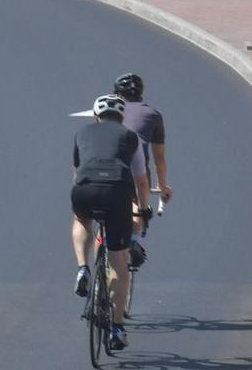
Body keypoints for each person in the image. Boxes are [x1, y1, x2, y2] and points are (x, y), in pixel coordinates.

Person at [72, 93, 150, 353]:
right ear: (122, 117)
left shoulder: (82, 134)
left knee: (81, 220)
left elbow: (77, 174)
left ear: (96, 117)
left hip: (85, 190)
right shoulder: (130, 138)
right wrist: (144, 209)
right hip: (117, 192)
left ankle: (83, 268)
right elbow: (140, 180)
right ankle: (117, 327)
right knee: (119, 263)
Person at [113, 72, 169, 319]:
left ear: (117, 95)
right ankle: (134, 242)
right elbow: (159, 158)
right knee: (138, 203)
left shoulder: (109, 111)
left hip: (102, 170)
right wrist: (164, 186)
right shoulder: (153, 115)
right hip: (137, 171)